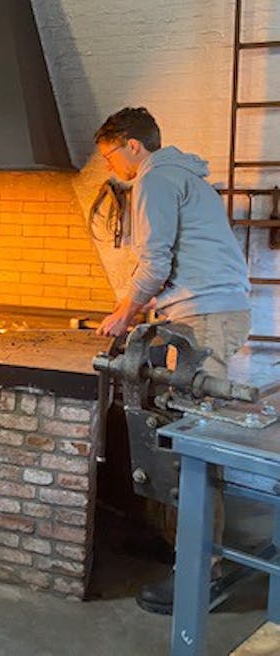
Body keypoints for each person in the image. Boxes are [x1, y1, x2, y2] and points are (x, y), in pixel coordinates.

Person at [94, 106, 251, 614]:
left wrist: (123, 314)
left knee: (191, 445)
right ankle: (182, 547)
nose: (110, 167)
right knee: (179, 435)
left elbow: (155, 262)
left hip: (205, 318)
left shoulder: (154, 178)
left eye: (110, 156)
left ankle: (201, 573)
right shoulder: (184, 176)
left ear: (132, 145)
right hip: (207, 313)